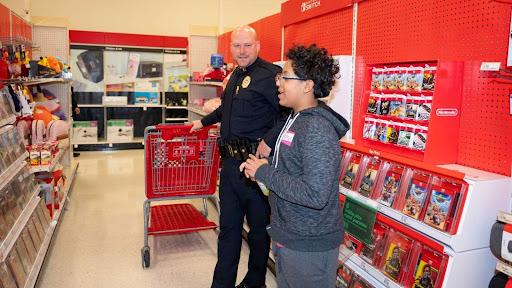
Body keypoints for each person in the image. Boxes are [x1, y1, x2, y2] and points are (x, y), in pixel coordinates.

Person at [240, 44, 350, 288]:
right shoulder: (296, 120)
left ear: (307, 85)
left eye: (285, 77)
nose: (278, 83)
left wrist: (265, 172)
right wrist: (263, 166)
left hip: (309, 244)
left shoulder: (316, 129)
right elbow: (294, 170)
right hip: (290, 236)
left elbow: (316, 194)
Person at [191, 25, 282, 288]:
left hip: (255, 167)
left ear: (258, 46)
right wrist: (203, 122)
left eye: (247, 45)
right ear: (230, 48)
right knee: (228, 230)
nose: (241, 51)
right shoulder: (234, 75)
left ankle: (255, 281)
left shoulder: (271, 75)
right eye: (236, 46)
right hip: (230, 165)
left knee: (257, 232)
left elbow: (288, 115)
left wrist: (268, 140)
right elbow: (226, 110)